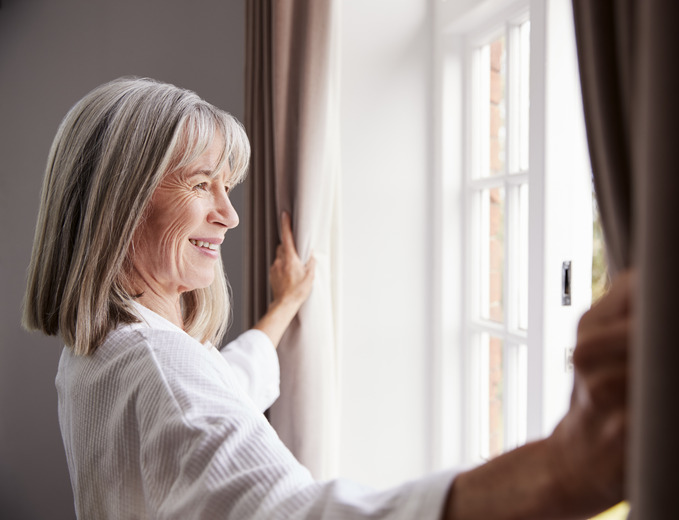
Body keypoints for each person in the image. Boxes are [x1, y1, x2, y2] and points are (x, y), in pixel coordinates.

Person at [23, 77, 632, 519]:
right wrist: (566, 465)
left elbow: (223, 386)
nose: (230, 214)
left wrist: (284, 304)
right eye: (201, 184)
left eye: (228, 187)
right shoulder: (159, 370)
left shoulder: (100, 354)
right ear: (120, 204)